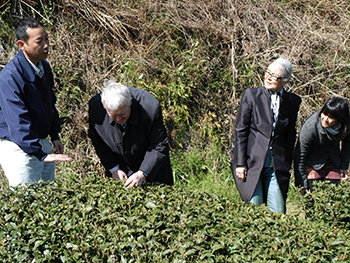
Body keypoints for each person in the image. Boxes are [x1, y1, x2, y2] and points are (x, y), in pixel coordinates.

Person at [0, 17, 70, 187]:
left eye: (46, 38)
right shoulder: (10, 77)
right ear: (21, 45)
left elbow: (50, 103)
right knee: (26, 203)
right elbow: (18, 121)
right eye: (39, 41)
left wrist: (54, 135)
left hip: (40, 142)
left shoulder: (44, 67)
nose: (46, 44)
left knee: (47, 202)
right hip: (18, 147)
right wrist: (40, 154)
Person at [230, 58, 301, 213]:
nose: (268, 77)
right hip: (250, 163)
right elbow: (241, 130)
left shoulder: (293, 101)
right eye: (267, 73)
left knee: (278, 212)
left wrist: (286, 161)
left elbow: (290, 133)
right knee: (253, 210)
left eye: (274, 76)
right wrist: (240, 163)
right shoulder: (251, 95)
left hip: (276, 165)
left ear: (285, 80)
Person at [88, 80, 174, 188]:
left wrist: (142, 173)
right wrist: (114, 168)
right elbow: (98, 141)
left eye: (122, 113)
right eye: (113, 115)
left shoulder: (150, 107)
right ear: (105, 107)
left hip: (152, 169)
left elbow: (159, 145)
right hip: (120, 171)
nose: (118, 119)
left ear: (130, 102)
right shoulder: (96, 108)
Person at [294, 97, 350, 193]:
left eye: (331, 117)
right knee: (312, 198)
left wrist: (344, 166)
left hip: (333, 159)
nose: (325, 119)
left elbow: (348, 144)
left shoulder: (347, 123)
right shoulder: (310, 127)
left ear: (340, 118)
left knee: (333, 197)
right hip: (311, 162)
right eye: (324, 114)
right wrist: (302, 184)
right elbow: (299, 157)